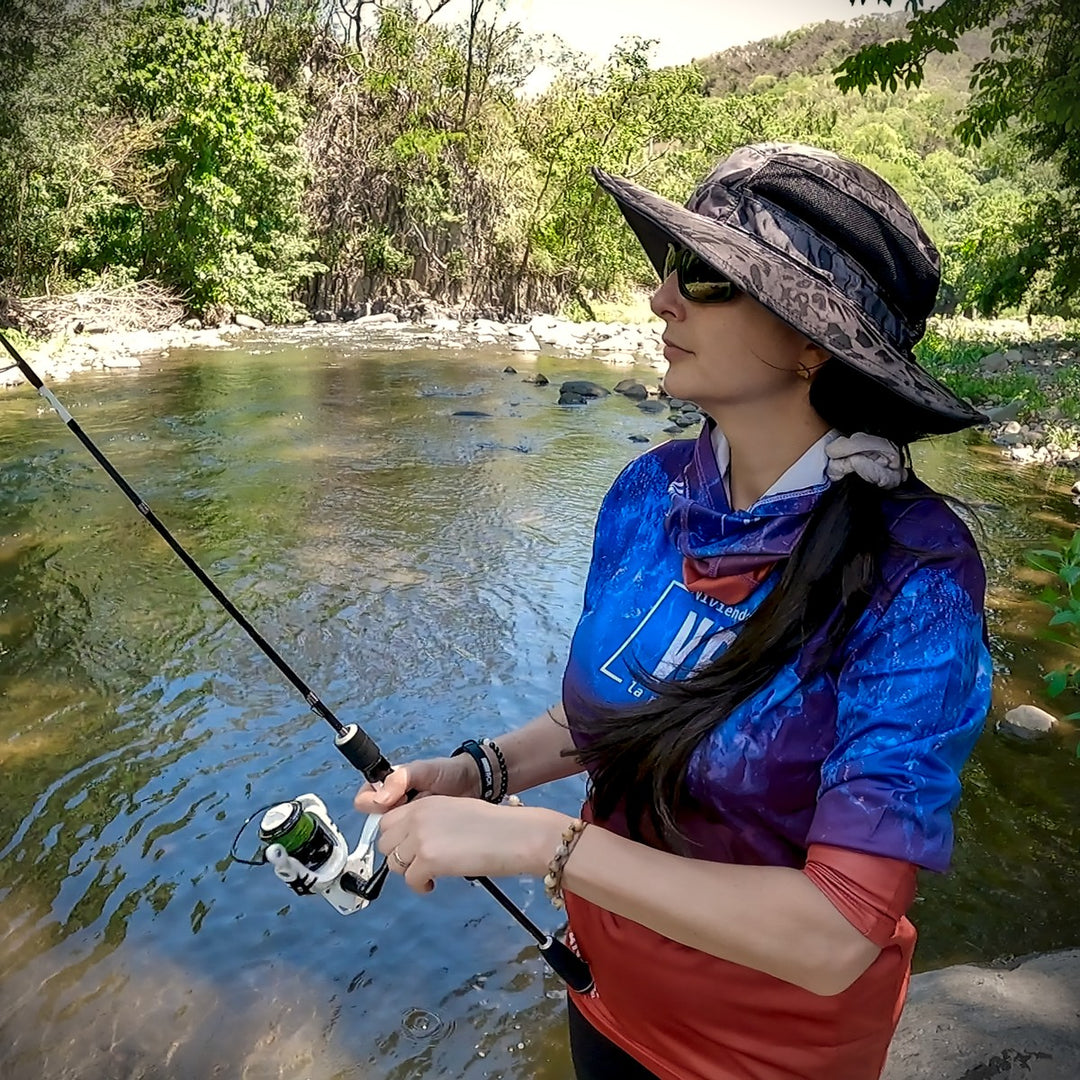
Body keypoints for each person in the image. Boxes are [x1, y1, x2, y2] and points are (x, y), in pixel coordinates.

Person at [353, 143, 994, 1080]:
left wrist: (543, 844)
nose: (662, 298)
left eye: (705, 275)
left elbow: (836, 932)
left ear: (815, 338)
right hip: (605, 1004)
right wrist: (476, 773)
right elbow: (600, 714)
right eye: (666, 267)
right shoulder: (646, 495)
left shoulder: (919, 574)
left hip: (768, 1058)